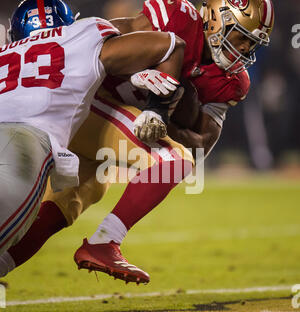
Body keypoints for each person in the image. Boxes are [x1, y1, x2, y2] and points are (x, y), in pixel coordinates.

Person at [0, 0, 274, 284]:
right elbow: (106, 38)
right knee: (173, 160)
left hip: (106, 126)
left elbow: (201, 146)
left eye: (252, 44)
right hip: (88, 103)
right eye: (242, 37)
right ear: (218, 19)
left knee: (74, 197)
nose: (244, 50)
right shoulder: (178, 17)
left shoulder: (232, 81)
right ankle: (105, 242)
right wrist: (145, 84)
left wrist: (165, 119)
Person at [0, 0, 187, 262]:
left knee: (82, 189)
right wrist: (157, 109)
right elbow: (170, 43)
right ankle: (107, 240)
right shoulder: (81, 33)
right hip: (25, 142)